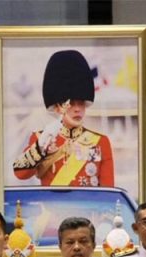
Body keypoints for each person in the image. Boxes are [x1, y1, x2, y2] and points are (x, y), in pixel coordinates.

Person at [13, 49, 114, 187]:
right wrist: (40, 147)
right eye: (70, 104)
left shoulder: (100, 142)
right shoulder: (40, 139)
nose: (77, 109)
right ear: (58, 107)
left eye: (81, 103)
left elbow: (108, 192)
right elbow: (20, 174)